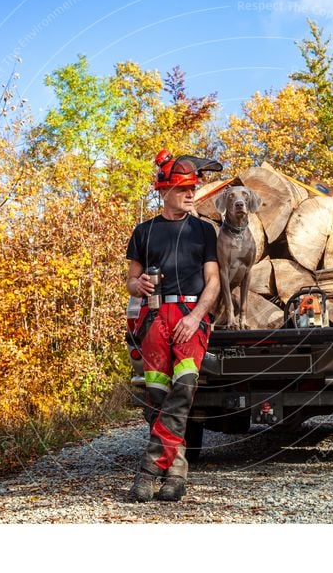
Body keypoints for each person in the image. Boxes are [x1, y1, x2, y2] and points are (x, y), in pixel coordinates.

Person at [125, 150, 220, 502]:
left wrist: (196, 318)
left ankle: (150, 471)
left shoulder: (203, 230)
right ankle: (176, 473)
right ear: (164, 191)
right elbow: (131, 280)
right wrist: (139, 286)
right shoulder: (144, 231)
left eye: (193, 187)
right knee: (158, 397)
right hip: (153, 318)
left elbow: (214, 282)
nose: (191, 194)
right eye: (183, 188)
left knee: (182, 391)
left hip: (190, 316)